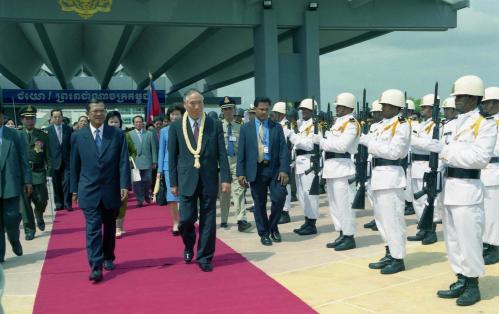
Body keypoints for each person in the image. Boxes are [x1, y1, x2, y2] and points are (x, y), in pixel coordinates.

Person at [429, 75, 497, 306]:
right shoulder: (454, 123)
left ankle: (473, 284)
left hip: (468, 190)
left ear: (472, 97)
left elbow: (479, 158)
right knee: (453, 240)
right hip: (450, 189)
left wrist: (445, 151)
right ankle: (460, 278)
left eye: (460, 96)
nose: (456, 100)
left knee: (469, 240)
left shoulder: (485, 124)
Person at [168, 89, 231, 272]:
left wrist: (225, 178)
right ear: (185, 104)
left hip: (209, 179)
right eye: (193, 103)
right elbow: (172, 156)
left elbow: (222, 154)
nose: (197, 106)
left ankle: (205, 256)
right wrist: (173, 182)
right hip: (186, 179)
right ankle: (189, 245)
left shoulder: (213, 124)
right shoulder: (176, 126)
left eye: (200, 103)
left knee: (208, 220)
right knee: (186, 220)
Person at [70, 99, 130, 282]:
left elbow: (123, 162)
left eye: (102, 111)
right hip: (88, 189)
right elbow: (74, 165)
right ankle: (96, 265)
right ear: (88, 114)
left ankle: (108, 256)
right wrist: (74, 190)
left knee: (110, 227)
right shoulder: (78, 136)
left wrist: (124, 185)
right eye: (95, 111)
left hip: (111, 188)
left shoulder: (117, 134)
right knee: (93, 228)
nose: (99, 114)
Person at [359, 89, 411, 275]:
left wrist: (369, 144)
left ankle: (398, 258)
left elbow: (394, 152)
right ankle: (390, 252)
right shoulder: (381, 125)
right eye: (383, 105)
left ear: (396, 106)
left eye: (387, 105)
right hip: (378, 175)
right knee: (381, 219)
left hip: (391, 175)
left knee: (393, 220)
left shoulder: (402, 125)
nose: (383, 108)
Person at [237, 97, 289, 246]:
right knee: (259, 204)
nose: (264, 112)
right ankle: (264, 233)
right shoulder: (245, 128)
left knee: (279, 197)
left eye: (267, 109)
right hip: (256, 170)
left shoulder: (276, 127)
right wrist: (241, 173)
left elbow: (283, 150)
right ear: (254, 109)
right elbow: (242, 152)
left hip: (274, 170)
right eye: (261, 109)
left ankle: (273, 227)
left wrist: (284, 169)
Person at [315, 93, 359, 251]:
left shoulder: (352, 124)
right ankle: (341, 233)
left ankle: (349, 236)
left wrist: (321, 142)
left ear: (348, 106)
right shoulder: (338, 122)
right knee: (334, 205)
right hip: (331, 167)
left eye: (340, 106)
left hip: (342, 167)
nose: (337, 108)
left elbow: (342, 146)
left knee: (345, 205)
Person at [0, 105, 32, 263]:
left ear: (2, 117)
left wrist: (28, 181)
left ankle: (14, 239)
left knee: (12, 217)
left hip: (10, 183)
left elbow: (24, 160)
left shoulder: (15, 135)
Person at [407, 94, 440, 245]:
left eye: (426, 107)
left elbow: (431, 145)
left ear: (433, 109)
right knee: (418, 202)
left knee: (428, 201)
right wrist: (417, 142)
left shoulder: (436, 125)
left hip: (426, 165)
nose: (422, 109)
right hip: (415, 166)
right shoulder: (419, 125)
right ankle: (422, 228)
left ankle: (431, 231)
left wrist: (414, 141)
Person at [18, 105, 52, 240]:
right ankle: (29, 229)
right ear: (22, 120)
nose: (30, 121)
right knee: (25, 204)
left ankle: (39, 213)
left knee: (42, 200)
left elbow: (49, 156)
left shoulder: (42, 136)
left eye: (32, 118)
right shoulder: (16, 135)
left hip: (38, 172)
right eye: (27, 118)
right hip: (22, 174)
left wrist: (49, 173)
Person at [219, 97, 251, 232]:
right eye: (225, 109)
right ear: (221, 111)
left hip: (237, 162)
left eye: (230, 109)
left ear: (234, 110)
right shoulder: (218, 127)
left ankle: (241, 219)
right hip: (222, 162)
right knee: (224, 193)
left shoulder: (241, 127)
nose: (228, 112)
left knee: (239, 191)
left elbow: (245, 148)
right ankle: (224, 219)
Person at [289, 98, 320, 236]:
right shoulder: (301, 125)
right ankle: (307, 220)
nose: (303, 112)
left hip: (309, 161)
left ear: (313, 111)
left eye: (307, 109)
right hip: (300, 162)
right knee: (302, 195)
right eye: (302, 109)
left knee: (310, 194)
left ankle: (312, 223)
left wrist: (292, 136)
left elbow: (309, 145)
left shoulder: (316, 125)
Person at [106, 111, 136, 238]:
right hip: (106, 173)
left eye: (116, 122)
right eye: (111, 121)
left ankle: (119, 226)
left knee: (122, 199)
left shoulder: (125, 135)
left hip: (122, 172)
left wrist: (129, 160)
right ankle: (111, 225)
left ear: (120, 123)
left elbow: (133, 151)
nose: (113, 124)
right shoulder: (102, 136)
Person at [157, 105, 185, 236]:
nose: (174, 116)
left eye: (177, 114)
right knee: (172, 196)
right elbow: (161, 151)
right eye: (172, 114)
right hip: (169, 167)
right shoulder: (164, 131)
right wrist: (159, 170)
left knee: (186, 195)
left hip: (186, 166)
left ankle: (185, 221)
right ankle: (175, 223)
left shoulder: (187, 129)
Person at [480, 87, 499, 265]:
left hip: (494, 170)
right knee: (484, 212)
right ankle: (485, 243)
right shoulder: (484, 122)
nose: (485, 106)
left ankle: (494, 247)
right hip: (482, 171)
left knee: (493, 213)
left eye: (488, 102)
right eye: (484, 103)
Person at [47, 109, 73, 211]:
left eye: (59, 116)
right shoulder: (48, 130)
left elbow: (72, 145)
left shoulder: (68, 129)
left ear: (62, 117)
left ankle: (67, 203)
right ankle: (59, 203)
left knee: (67, 182)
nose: (57, 119)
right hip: (54, 161)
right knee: (56, 183)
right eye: (55, 117)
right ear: (52, 118)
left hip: (67, 161)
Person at [272, 102, 293, 224]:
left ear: (280, 114)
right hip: (278, 159)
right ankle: (281, 211)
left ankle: (285, 212)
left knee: (285, 185)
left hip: (284, 159)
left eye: (275, 113)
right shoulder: (278, 125)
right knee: (280, 186)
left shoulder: (285, 126)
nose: (273, 116)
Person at [363, 100, 383, 231]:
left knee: (378, 194)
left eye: (376, 112)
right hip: (371, 160)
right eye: (373, 113)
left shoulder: (384, 126)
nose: (374, 115)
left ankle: (380, 218)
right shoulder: (373, 126)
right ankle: (377, 217)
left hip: (380, 161)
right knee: (370, 190)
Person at [129, 115, 157, 207]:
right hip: (135, 162)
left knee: (147, 181)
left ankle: (146, 195)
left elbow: (153, 148)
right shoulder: (129, 134)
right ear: (133, 123)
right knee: (136, 183)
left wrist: (154, 161)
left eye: (140, 122)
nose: (138, 123)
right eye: (136, 122)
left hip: (147, 161)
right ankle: (139, 200)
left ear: (143, 123)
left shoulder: (149, 133)